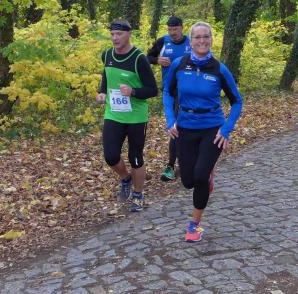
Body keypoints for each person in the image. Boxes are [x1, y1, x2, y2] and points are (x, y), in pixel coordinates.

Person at [163, 22, 243, 242]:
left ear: (211, 40)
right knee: (187, 181)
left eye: (205, 36)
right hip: (185, 126)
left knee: (199, 177)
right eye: (197, 37)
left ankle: (194, 226)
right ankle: (206, 175)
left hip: (212, 128)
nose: (201, 41)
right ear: (191, 41)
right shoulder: (179, 64)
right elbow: (167, 92)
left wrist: (226, 129)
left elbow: (237, 101)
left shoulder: (219, 69)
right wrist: (170, 120)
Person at [96, 19, 158, 212]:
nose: (115, 38)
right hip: (113, 114)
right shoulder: (107, 55)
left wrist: (133, 91)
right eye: (112, 34)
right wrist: (102, 91)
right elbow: (107, 75)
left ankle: (138, 195)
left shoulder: (139, 58)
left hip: (136, 117)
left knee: (135, 157)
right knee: (110, 156)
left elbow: (153, 90)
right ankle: (125, 178)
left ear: (129, 34)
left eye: (119, 34)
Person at [146, 15, 191, 182]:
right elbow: (147, 57)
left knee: (186, 126)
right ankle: (172, 166)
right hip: (171, 91)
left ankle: (187, 163)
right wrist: (157, 60)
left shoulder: (192, 42)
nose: (173, 33)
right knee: (175, 127)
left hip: (191, 91)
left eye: (175, 29)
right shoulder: (162, 42)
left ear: (182, 27)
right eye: (170, 29)